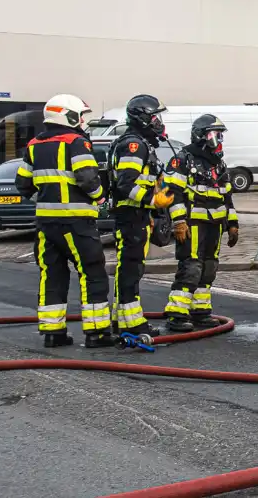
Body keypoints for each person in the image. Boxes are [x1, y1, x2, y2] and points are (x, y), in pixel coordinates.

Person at [14, 94, 114, 348]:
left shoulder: (34, 144)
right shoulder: (76, 142)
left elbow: (22, 184)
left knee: (52, 275)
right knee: (92, 273)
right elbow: (87, 178)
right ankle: (97, 332)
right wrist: (101, 198)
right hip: (76, 222)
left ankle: (52, 332)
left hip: (46, 225)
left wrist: (47, 197)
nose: (82, 121)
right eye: (80, 116)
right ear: (68, 116)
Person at [161, 115, 239, 332]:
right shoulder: (184, 159)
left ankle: (200, 311)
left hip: (214, 224)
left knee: (209, 266)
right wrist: (178, 221)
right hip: (192, 224)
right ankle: (177, 313)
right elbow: (173, 193)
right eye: (214, 134)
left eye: (220, 134)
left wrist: (232, 224)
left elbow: (227, 197)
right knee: (192, 266)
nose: (218, 139)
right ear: (200, 135)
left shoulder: (218, 164)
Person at [108, 94, 175, 338]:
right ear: (143, 118)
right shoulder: (134, 145)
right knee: (130, 269)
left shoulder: (139, 143)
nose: (159, 122)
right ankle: (132, 323)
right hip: (131, 216)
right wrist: (152, 200)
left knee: (130, 268)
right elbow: (126, 184)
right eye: (155, 117)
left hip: (136, 215)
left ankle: (122, 319)